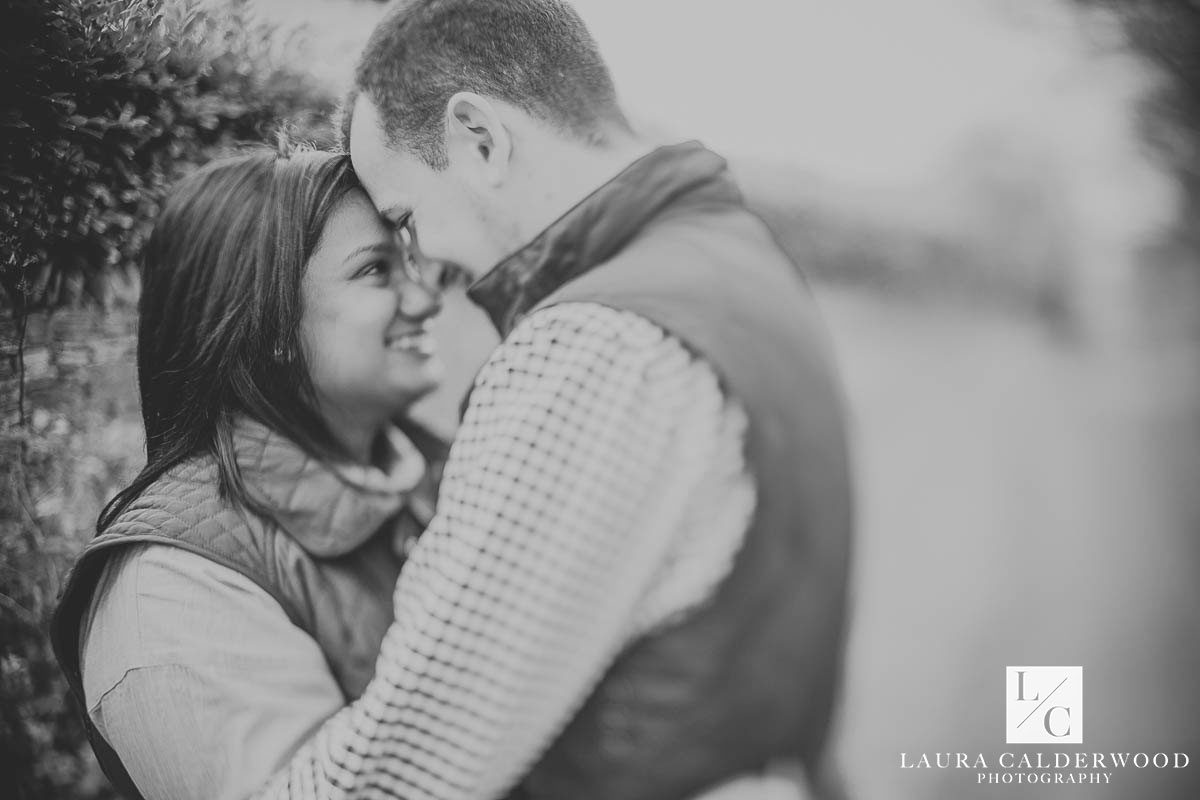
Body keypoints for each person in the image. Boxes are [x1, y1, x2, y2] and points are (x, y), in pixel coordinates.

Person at [254, 1, 856, 799]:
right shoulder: (739, 262)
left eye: (406, 218)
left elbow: (407, 769)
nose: (423, 267)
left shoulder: (594, 346)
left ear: (481, 139)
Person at [50, 146, 451, 800]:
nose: (426, 293)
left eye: (409, 260)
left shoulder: (433, 470)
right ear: (270, 328)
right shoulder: (169, 589)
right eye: (377, 270)